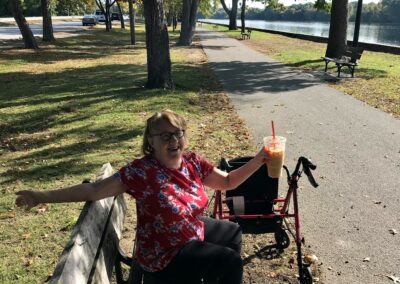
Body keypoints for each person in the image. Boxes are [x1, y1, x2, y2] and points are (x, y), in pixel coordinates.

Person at [16, 109, 271, 284]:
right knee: (229, 263)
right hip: (164, 253)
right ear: (151, 141)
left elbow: (228, 181)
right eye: (164, 135)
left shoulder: (192, 163)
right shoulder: (141, 172)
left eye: (178, 133)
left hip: (187, 233)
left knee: (232, 232)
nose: (173, 140)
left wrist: (260, 159)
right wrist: (40, 196)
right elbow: (93, 191)